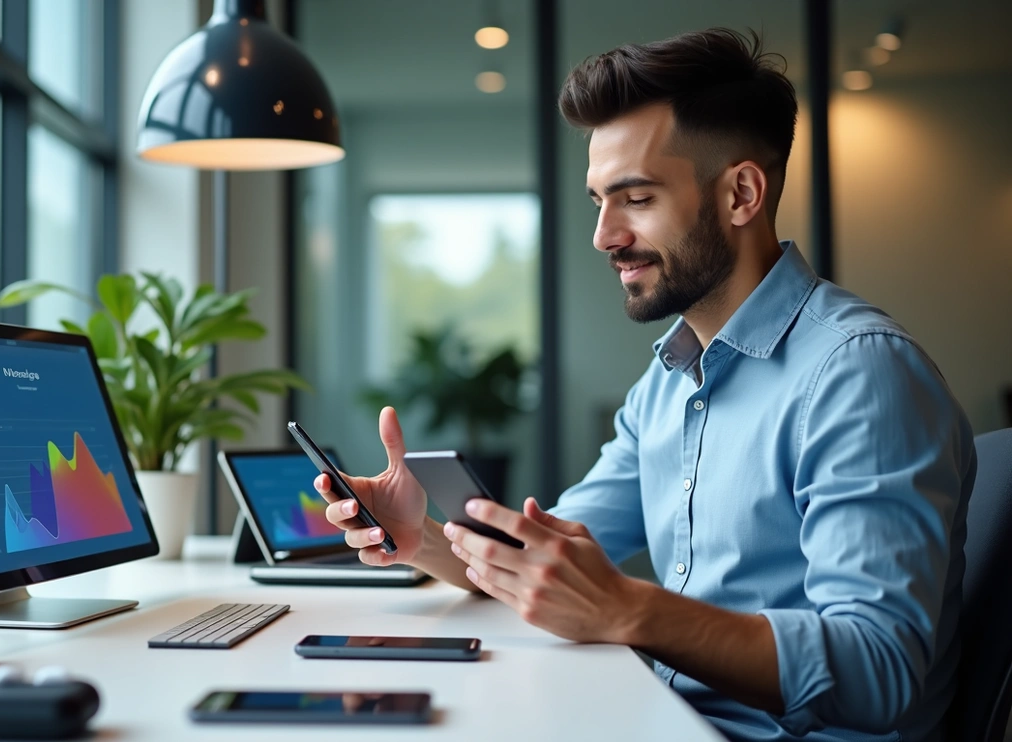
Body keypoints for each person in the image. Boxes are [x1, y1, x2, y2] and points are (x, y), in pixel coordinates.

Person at [313, 28, 976, 742]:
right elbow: (549, 568)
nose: (603, 234)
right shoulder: (667, 383)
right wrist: (422, 540)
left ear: (741, 194)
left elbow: (880, 671)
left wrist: (630, 611)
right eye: (599, 200)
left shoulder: (859, 373)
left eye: (635, 198)